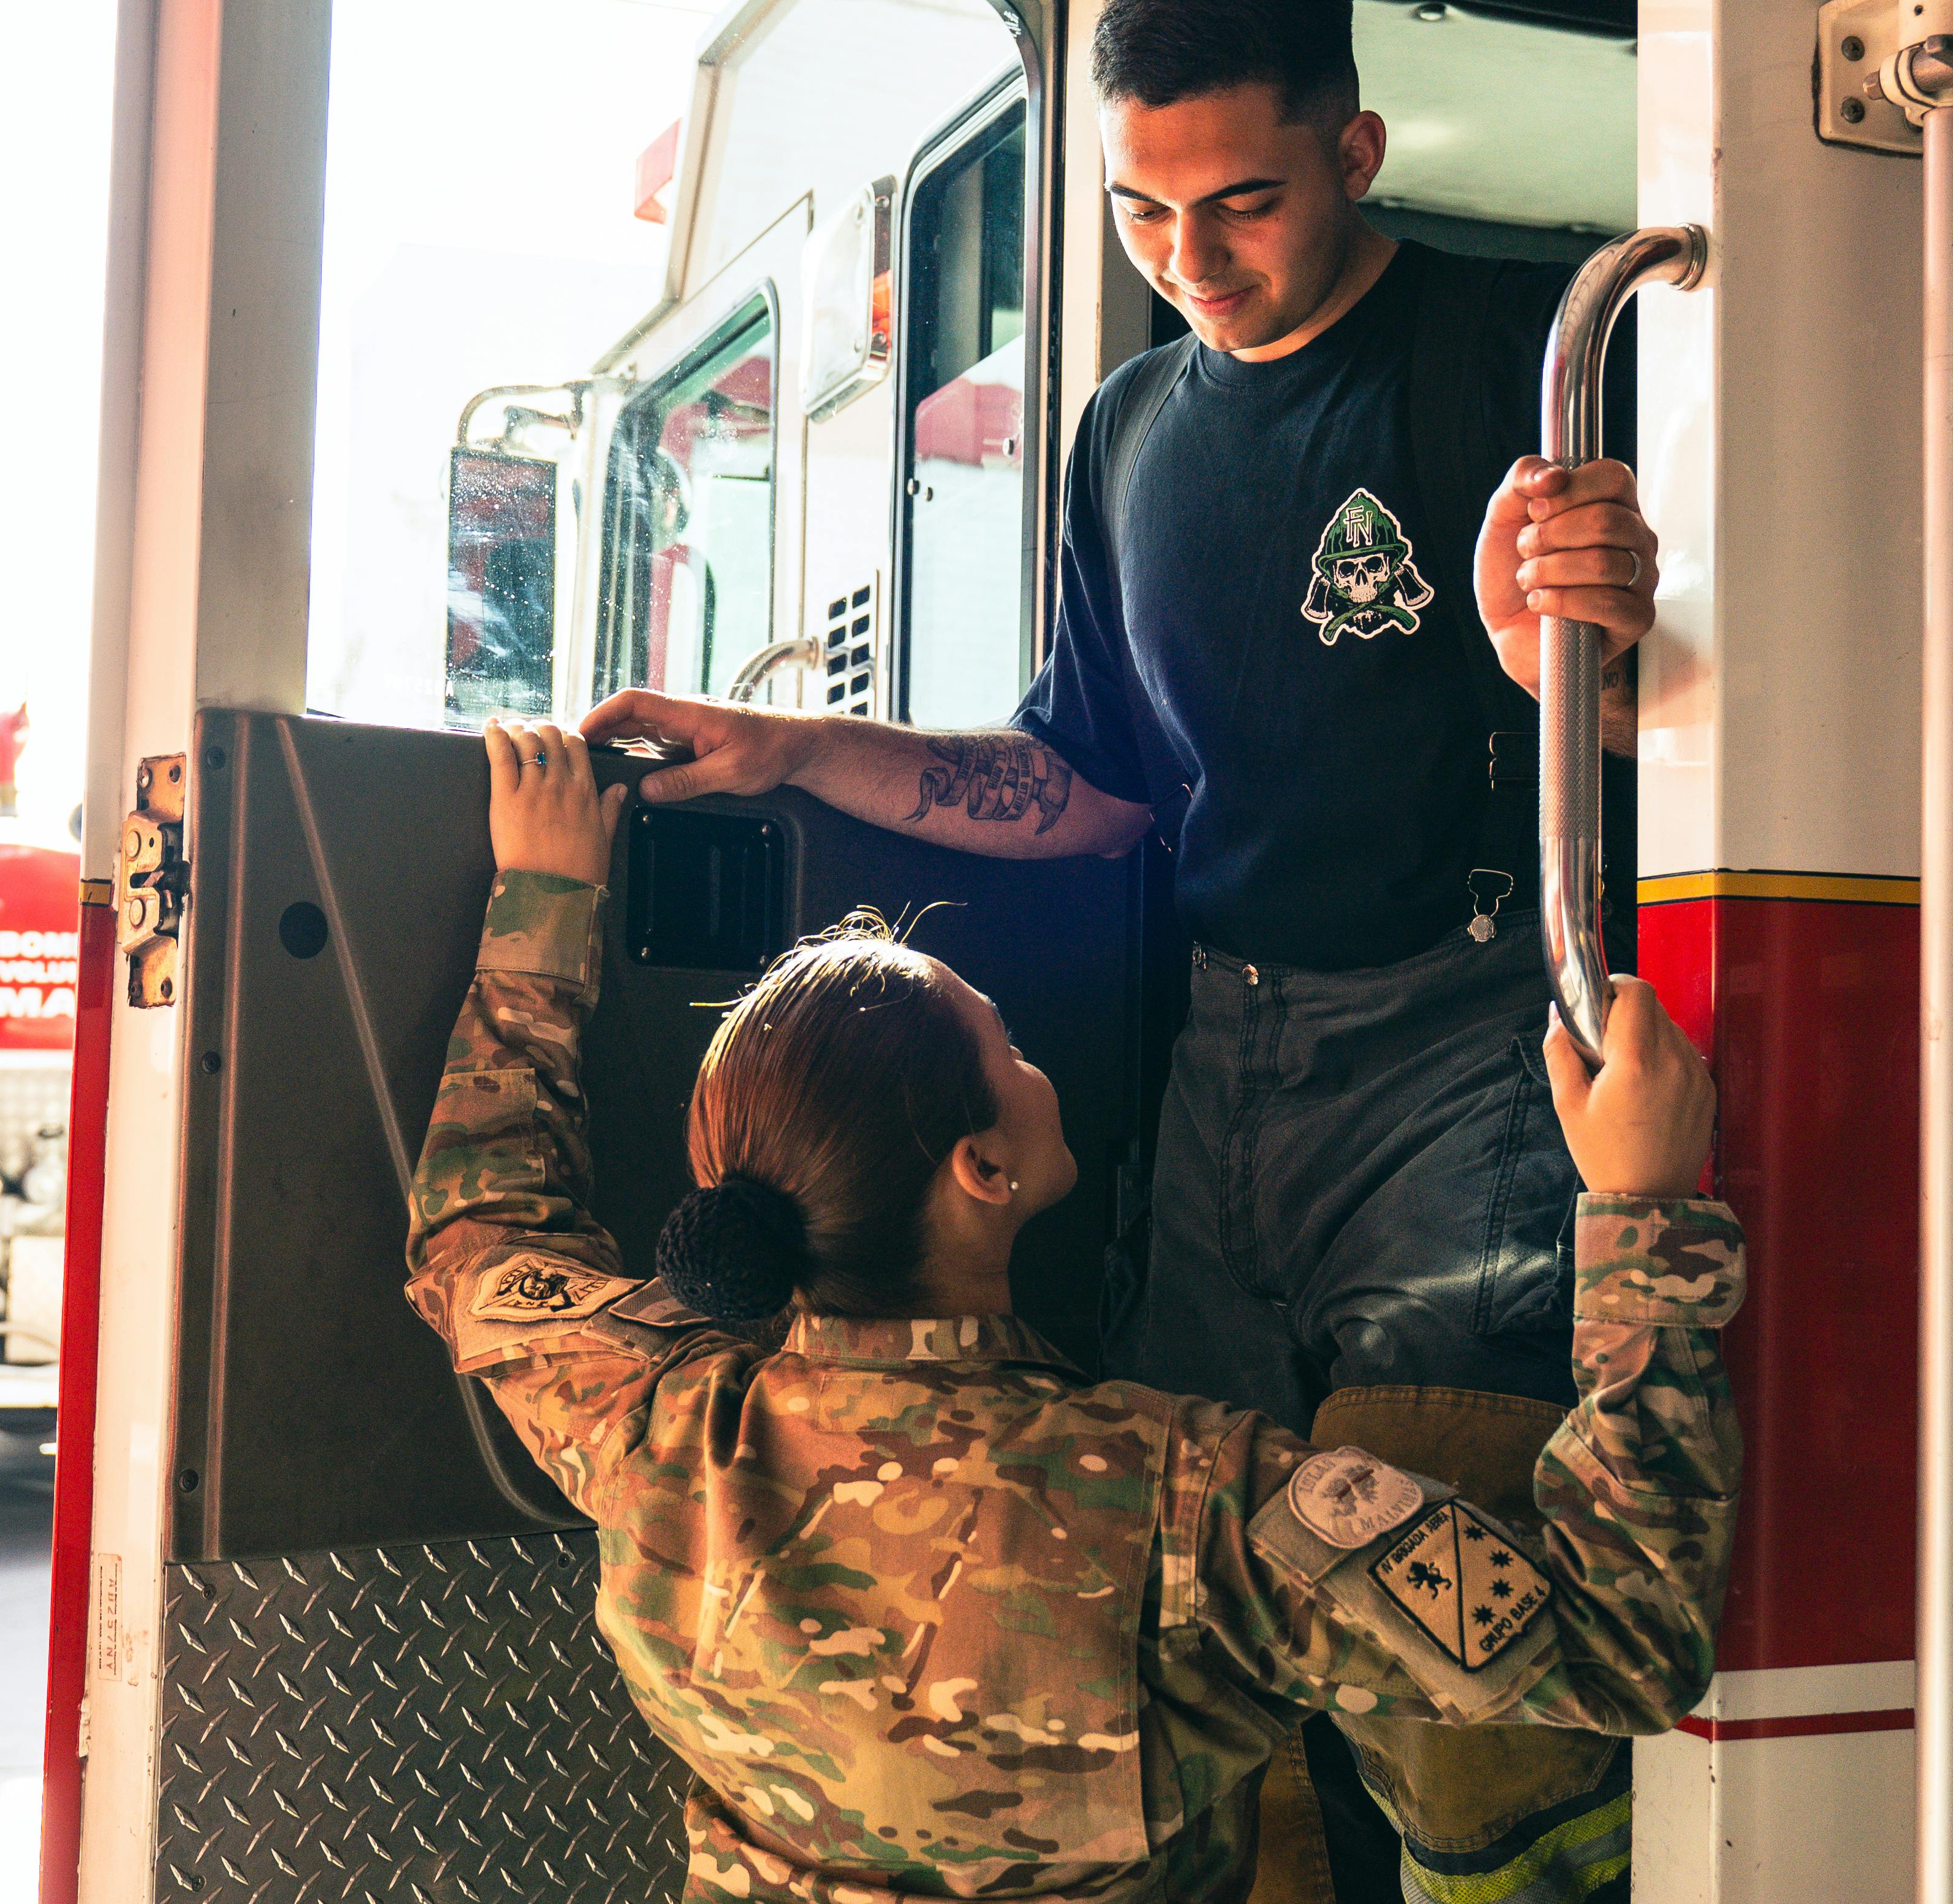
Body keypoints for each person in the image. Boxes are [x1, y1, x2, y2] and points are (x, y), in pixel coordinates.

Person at [573, 0, 1661, 1901]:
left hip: (1466, 1036)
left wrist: (1586, 643)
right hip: (1226, 1060)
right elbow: (1081, 787)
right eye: (1146, 210)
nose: (1194, 257)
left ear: (1356, 146)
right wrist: (791, 747)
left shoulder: (1537, 352)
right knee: (1214, 1655)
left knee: (1459, 1691)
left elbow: (1701, 697)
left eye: (1241, 199)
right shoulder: (1132, 433)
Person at [409, 721, 1739, 1904]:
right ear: (982, 1171)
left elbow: (478, 1232)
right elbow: (1623, 1642)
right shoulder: (1187, 1503)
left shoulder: (649, 1425)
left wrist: (544, 894)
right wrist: (1643, 1212)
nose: (1035, 1064)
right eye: (1010, 1050)